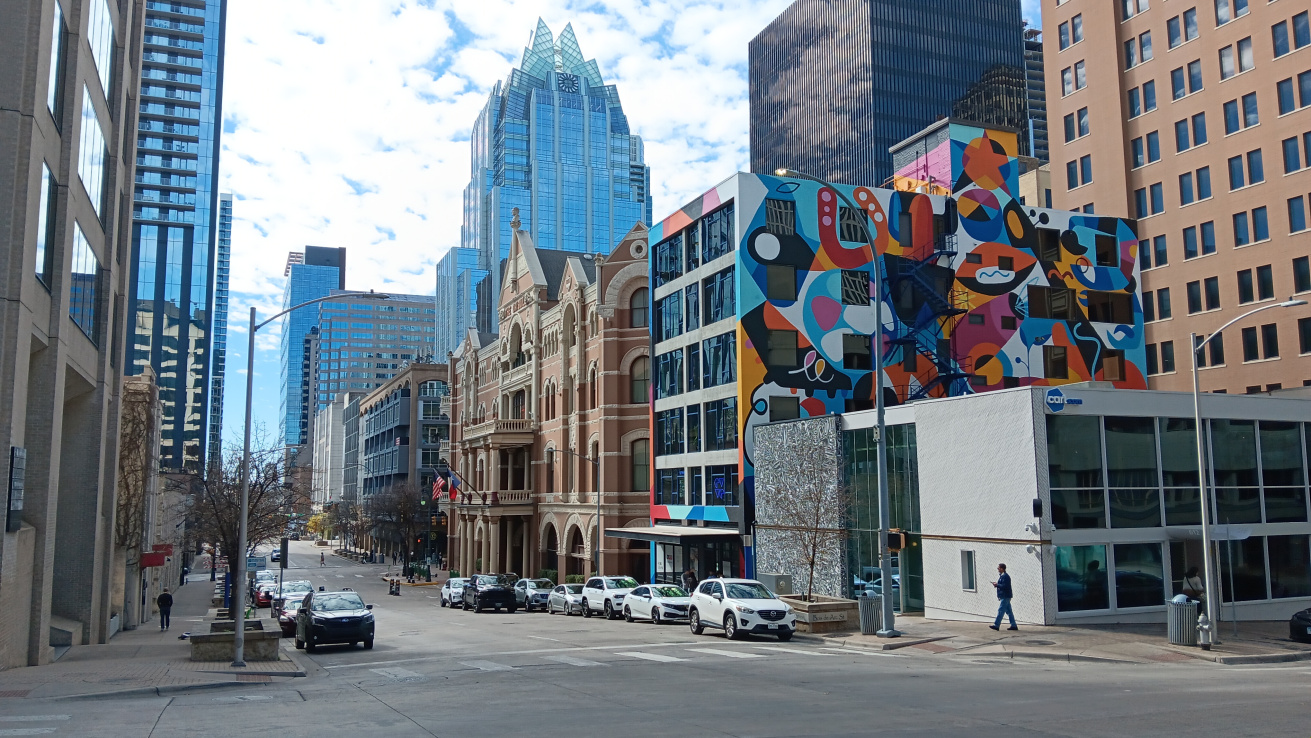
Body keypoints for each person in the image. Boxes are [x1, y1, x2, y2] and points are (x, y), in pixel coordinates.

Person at [989, 563, 1017, 631]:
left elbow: (1005, 586)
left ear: (1002, 568)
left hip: (1005, 596)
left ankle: (996, 625)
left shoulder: (1005, 576)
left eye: (999, 568)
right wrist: (997, 585)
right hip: (1005, 596)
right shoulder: (1002, 576)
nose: (998, 569)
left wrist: (997, 585)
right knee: (1009, 611)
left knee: (1001, 610)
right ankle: (1013, 625)